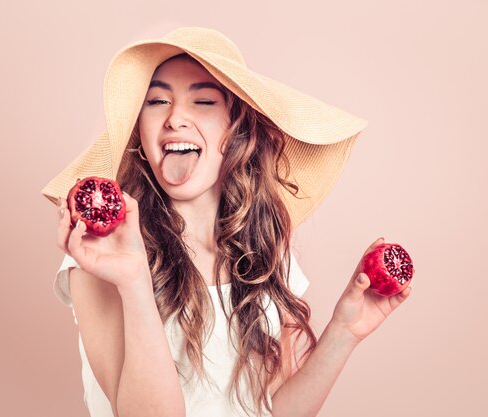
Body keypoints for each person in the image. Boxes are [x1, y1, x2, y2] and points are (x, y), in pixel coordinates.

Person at [42, 27, 412, 417]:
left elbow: (277, 411)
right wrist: (135, 281)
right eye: (156, 101)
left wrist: (344, 331)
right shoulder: (101, 259)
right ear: (140, 130)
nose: (175, 118)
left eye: (203, 101)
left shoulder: (265, 250)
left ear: (237, 131)